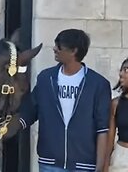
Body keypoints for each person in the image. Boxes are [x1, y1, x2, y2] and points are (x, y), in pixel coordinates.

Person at [18, 29, 111, 172]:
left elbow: (102, 128)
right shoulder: (45, 78)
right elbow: (30, 111)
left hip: (84, 165)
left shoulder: (98, 84)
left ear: (74, 50)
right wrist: (7, 128)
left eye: (59, 45)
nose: (54, 49)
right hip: (50, 163)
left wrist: (100, 167)